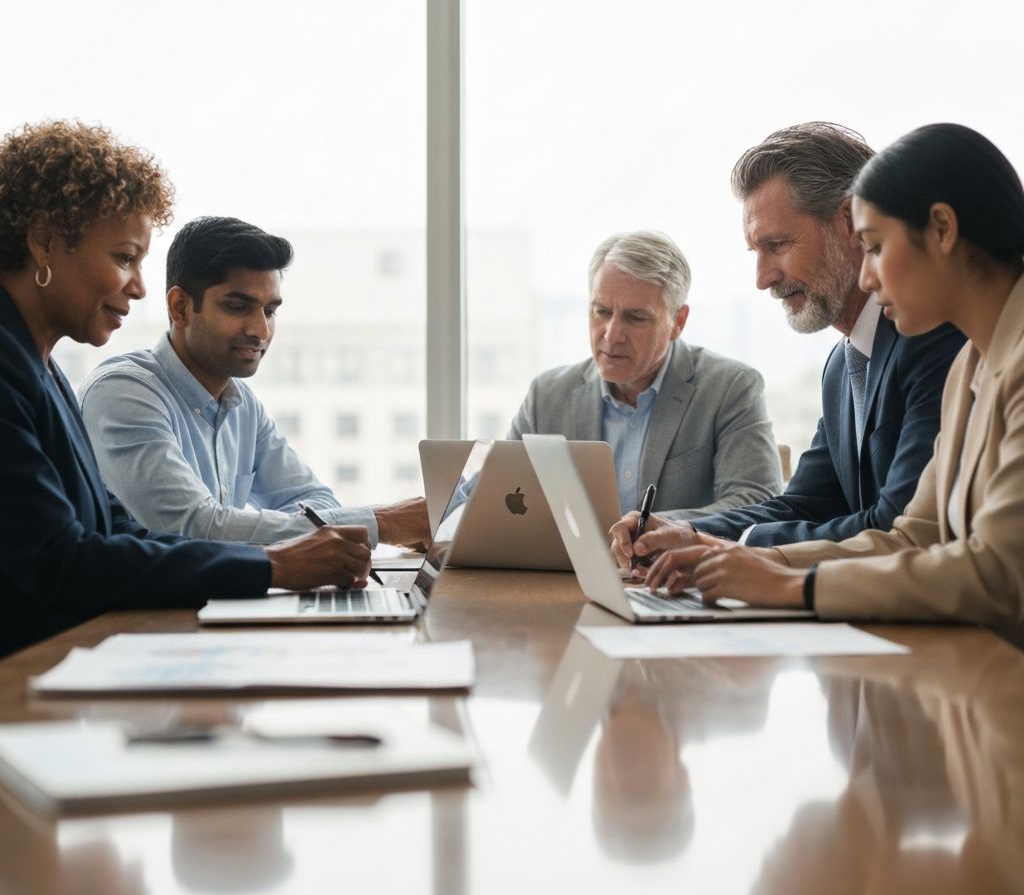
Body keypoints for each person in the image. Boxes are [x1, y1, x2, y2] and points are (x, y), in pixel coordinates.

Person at [638, 124, 1024, 641]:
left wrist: (792, 585)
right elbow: (917, 537)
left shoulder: (965, 354)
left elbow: (994, 571)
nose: (868, 276)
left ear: (941, 230)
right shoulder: (969, 367)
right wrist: (737, 555)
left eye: (877, 246)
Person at [0, 120, 371, 658]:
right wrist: (274, 565)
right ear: (44, 242)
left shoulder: (43, 369)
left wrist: (273, 565)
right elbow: (60, 562)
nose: (139, 286)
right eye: (124, 258)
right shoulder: (16, 368)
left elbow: (113, 531)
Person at [610, 123, 964, 567]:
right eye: (756, 251)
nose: (762, 279)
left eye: (777, 245)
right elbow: (804, 505)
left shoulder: (934, 340)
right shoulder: (843, 365)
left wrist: (731, 549)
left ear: (851, 224)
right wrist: (686, 532)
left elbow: (895, 526)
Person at [78, 216, 429, 547]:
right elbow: (192, 530)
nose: (260, 330)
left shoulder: (240, 403)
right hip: (142, 611)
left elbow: (314, 499)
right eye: (237, 307)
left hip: (212, 603)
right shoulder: (123, 394)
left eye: (270, 311)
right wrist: (384, 523)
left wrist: (266, 531)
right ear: (180, 307)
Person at [508, 230, 782, 519]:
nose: (611, 336)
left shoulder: (730, 389)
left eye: (635, 318)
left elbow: (757, 500)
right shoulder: (546, 395)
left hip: (674, 564)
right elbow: (494, 493)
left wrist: (658, 529)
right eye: (601, 312)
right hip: (564, 565)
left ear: (678, 322)